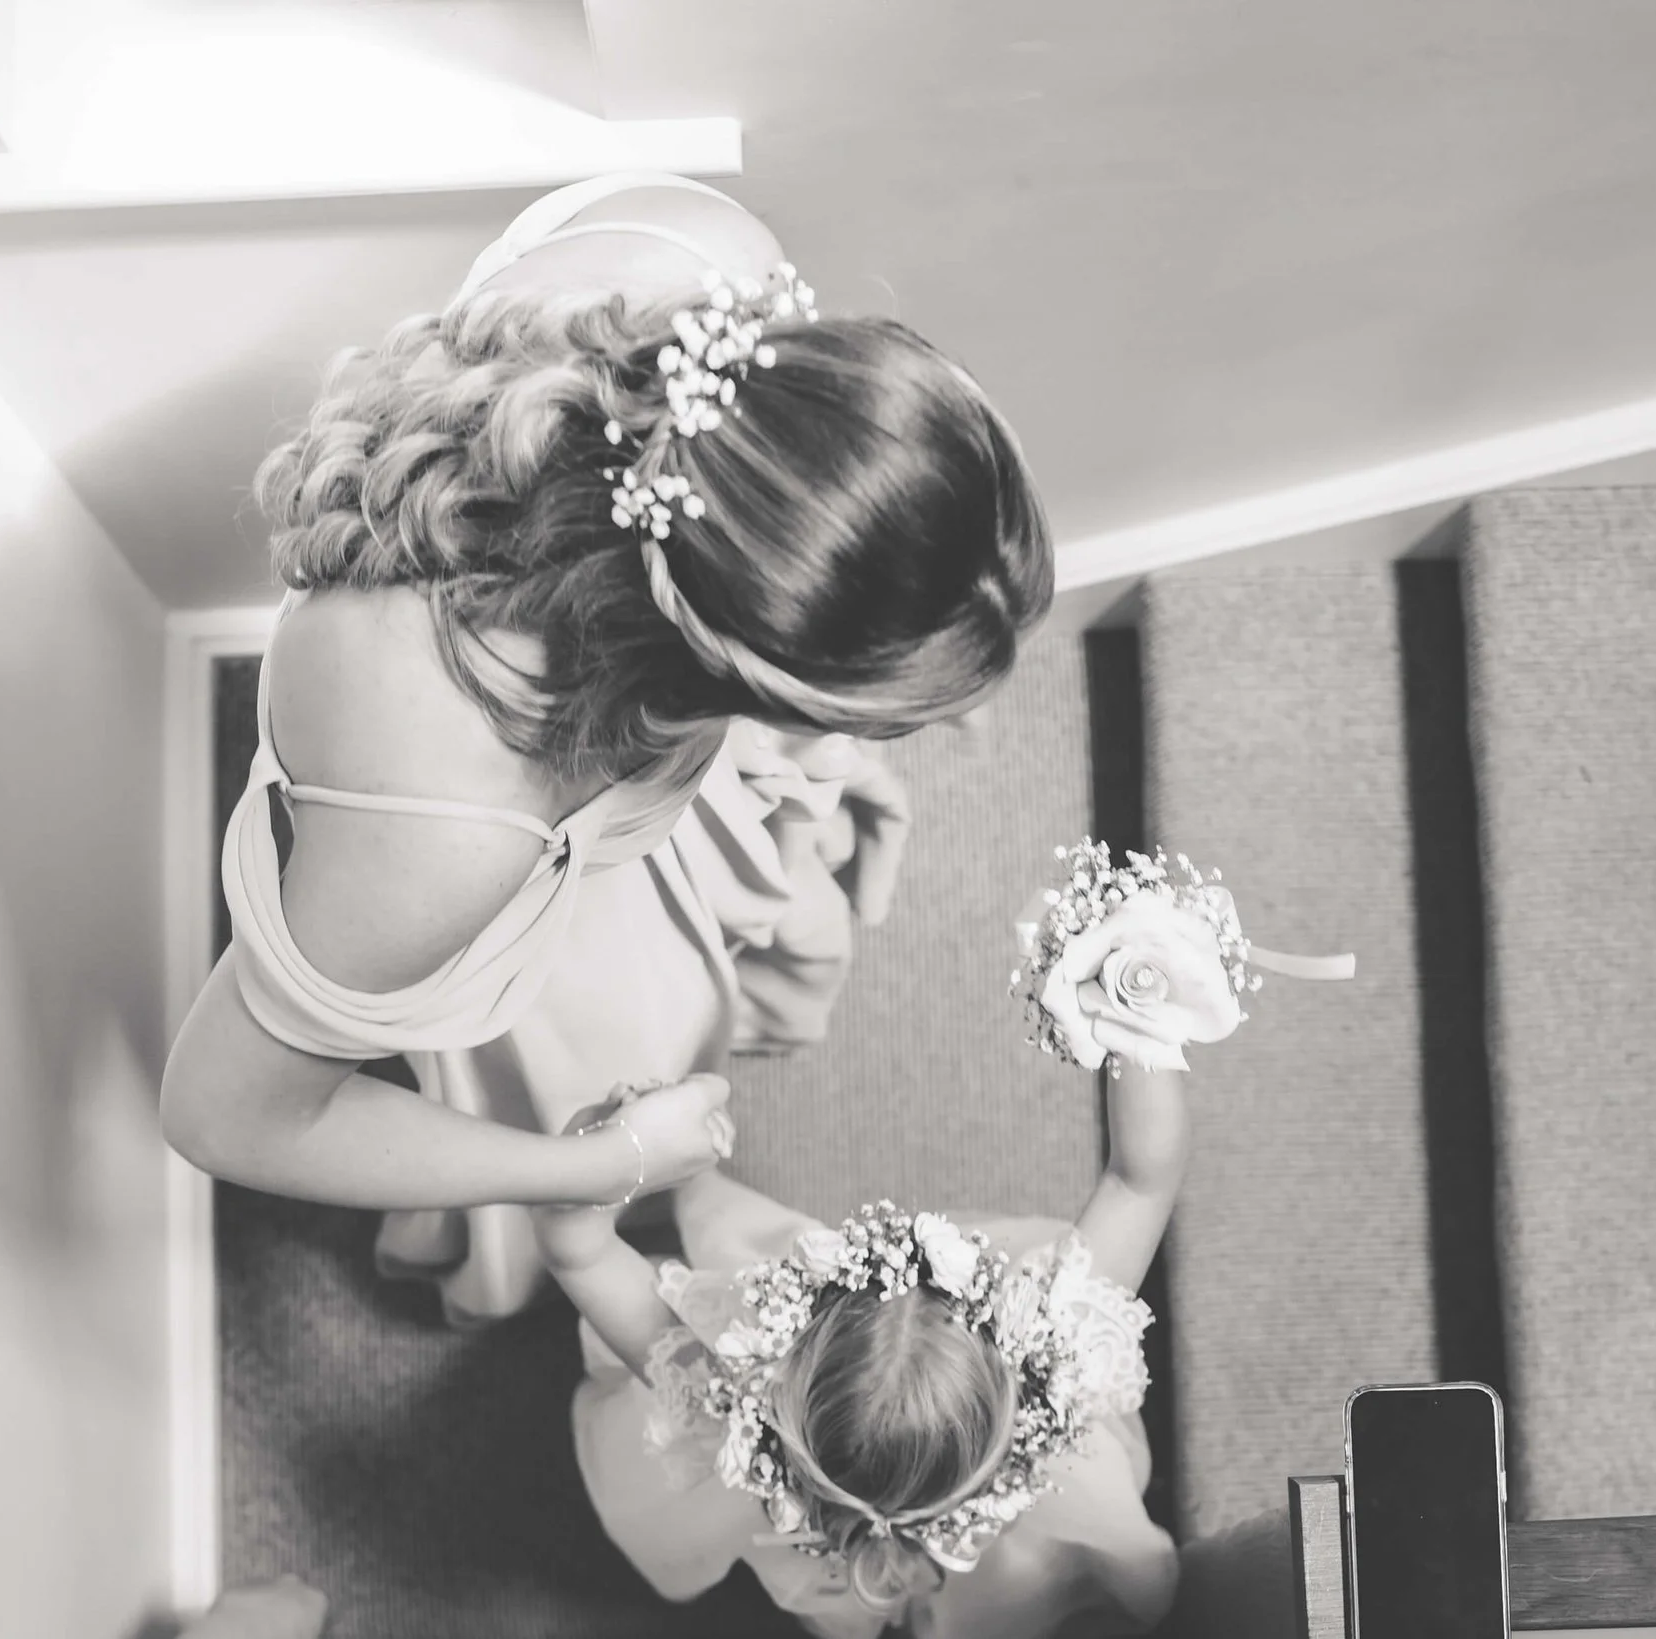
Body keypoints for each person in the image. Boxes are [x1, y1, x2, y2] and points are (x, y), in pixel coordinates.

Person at [157, 173, 1053, 1319]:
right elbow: (224, 1114)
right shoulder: (452, 831)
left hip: (577, 708)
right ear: (727, 671)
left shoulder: (703, 252)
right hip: (480, 842)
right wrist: (597, 1163)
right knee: (624, 1041)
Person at [533, 1066, 1191, 1638]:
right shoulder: (1059, 1353)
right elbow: (1141, 1178)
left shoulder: (724, 1395)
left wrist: (615, 1143)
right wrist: (1139, 1009)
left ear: (786, 1340)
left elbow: (577, 1247)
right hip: (1009, 1549)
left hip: (832, 1547)